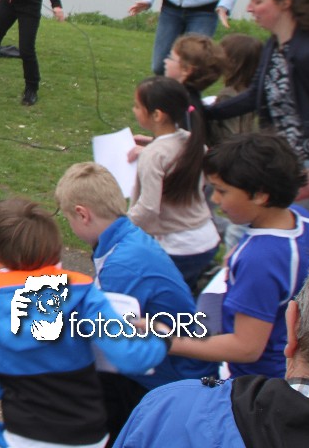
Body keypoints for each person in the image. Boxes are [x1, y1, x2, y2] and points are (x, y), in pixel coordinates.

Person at [0, 198, 169, 448]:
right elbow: (130, 357)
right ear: (53, 249)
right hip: (88, 436)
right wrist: (161, 339)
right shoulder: (83, 293)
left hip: (23, 436)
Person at [54, 163, 218, 439]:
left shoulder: (122, 264)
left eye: (68, 218)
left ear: (82, 214)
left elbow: (109, 338)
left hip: (168, 378)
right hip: (170, 363)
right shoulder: (127, 238)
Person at [114, 253, 309, 448]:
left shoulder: (169, 407)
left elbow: (247, 347)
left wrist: (168, 341)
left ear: (292, 323)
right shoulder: (300, 233)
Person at [165, 132, 309, 379]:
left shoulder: (259, 260)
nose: (214, 199)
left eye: (222, 191)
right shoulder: (302, 219)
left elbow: (246, 348)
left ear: (260, 195)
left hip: (259, 382)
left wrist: (169, 342)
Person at [205, 0, 309, 210]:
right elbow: (256, 95)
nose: (249, 8)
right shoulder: (274, 45)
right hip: (282, 163)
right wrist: (206, 112)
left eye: (257, 1)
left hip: (308, 171)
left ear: (285, 3)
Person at [128, 76, 220, 291]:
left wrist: (119, 225)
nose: (134, 110)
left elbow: (148, 208)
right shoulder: (192, 142)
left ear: (157, 115)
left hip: (178, 247)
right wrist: (152, 143)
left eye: (137, 106)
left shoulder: (153, 156)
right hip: (206, 238)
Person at [209, 33, 263, 145]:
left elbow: (231, 135)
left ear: (232, 62)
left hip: (230, 150)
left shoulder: (229, 95)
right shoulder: (250, 93)